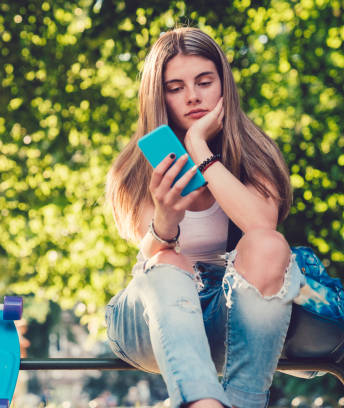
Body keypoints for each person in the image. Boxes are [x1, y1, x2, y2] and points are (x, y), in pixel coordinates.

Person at [104, 27, 304, 408]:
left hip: (226, 318)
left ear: (223, 84)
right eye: (175, 87)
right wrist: (166, 216)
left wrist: (198, 146)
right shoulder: (135, 165)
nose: (192, 96)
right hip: (151, 319)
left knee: (268, 245)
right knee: (168, 259)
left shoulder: (253, 154)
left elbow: (262, 229)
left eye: (204, 81)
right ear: (158, 95)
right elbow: (151, 255)